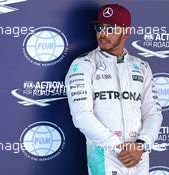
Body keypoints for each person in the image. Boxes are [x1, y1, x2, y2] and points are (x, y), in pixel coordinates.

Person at [65, 3, 163, 175]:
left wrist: (141, 145)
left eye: (110, 28)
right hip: (104, 155)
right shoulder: (83, 65)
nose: (103, 33)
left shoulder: (141, 67)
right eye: (99, 27)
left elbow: (153, 113)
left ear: (126, 32)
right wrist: (119, 148)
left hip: (138, 156)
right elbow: (81, 115)